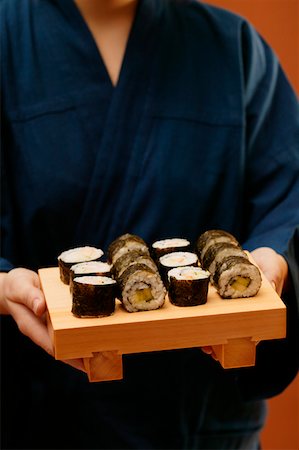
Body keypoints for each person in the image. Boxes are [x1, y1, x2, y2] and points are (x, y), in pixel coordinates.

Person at [1, 0, 298, 448]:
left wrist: (274, 260)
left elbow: (289, 199)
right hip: (39, 421)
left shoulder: (232, 48)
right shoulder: (7, 39)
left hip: (200, 427)